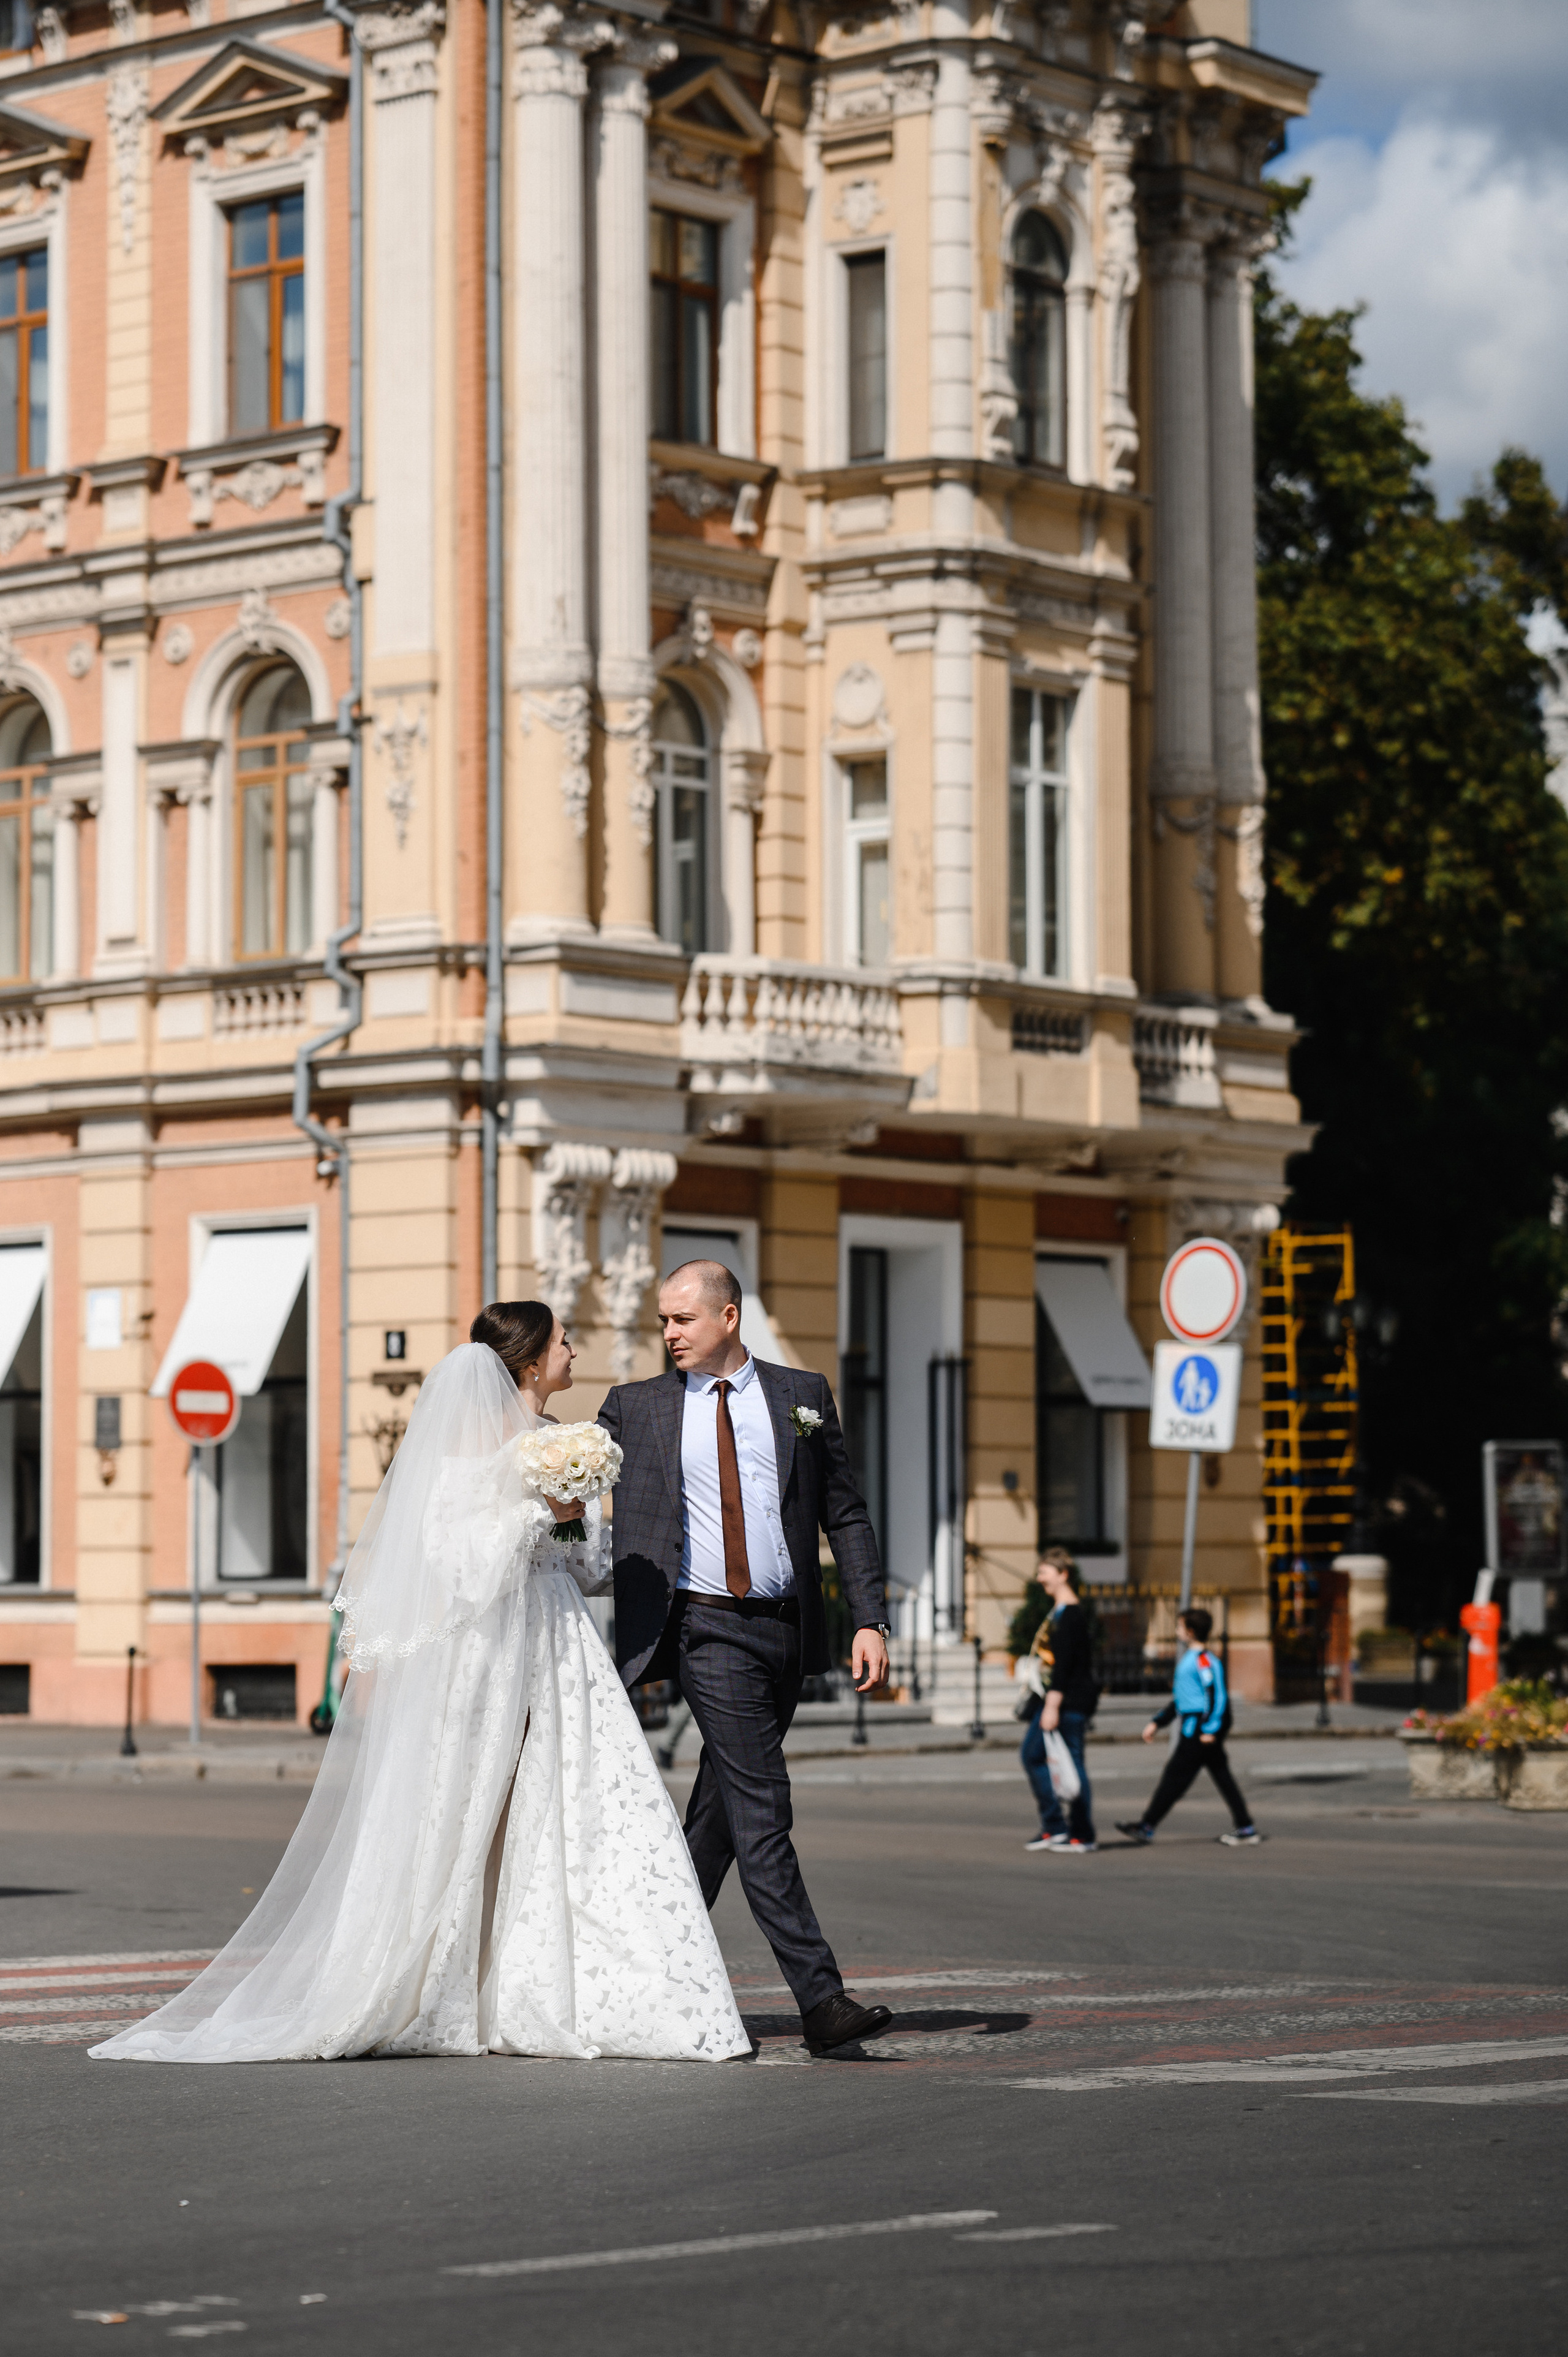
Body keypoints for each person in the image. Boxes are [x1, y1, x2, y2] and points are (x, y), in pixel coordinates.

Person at [91, 1304, 751, 2065]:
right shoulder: (467, 1448)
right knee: (465, 1811)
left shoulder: (555, 1443)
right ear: (532, 1362)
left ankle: (557, 1986)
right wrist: (545, 1512)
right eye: (564, 1340)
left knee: (571, 1807)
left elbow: (576, 1562)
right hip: (490, 1650)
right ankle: (442, 1985)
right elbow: (459, 1561)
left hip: (558, 1644)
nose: (575, 1349)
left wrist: (652, 1558)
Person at [598, 1259, 895, 2059]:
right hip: (705, 1629)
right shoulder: (637, 1406)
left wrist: (871, 1617)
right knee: (764, 1805)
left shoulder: (802, 1396)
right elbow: (578, 1496)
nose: (668, 1334)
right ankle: (821, 1997)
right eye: (662, 1320)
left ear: (729, 1316)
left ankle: (644, 1980)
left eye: (682, 1319)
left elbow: (846, 1511)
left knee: (720, 1818)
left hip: (784, 1630)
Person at [1116, 1607, 1261, 1847]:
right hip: (1195, 1727)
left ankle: (1147, 1826)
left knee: (1174, 1778)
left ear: (1191, 1632)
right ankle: (1246, 1826)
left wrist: (1210, 1730)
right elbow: (1184, 1699)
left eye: (1180, 1627)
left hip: (1198, 1730)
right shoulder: (1193, 1659)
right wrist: (1158, 1722)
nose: (1176, 1631)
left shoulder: (1204, 1661)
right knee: (1221, 1778)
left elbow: (1216, 1696)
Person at [1018, 1551, 1098, 1854]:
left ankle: (1081, 1833)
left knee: (1071, 1766)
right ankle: (1056, 1827)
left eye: (1045, 1572)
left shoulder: (1072, 1614)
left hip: (1068, 1701)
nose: (1040, 1579)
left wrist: (1052, 1706)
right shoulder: (1060, 1612)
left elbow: (1066, 1666)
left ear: (1064, 1574)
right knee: (1032, 1755)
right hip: (1056, 1698)